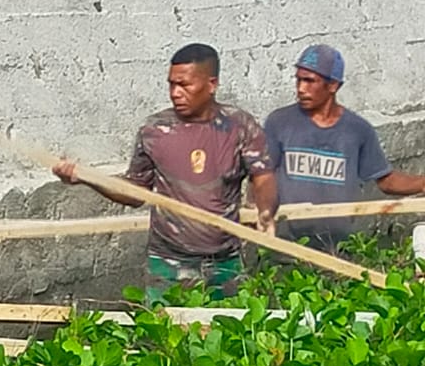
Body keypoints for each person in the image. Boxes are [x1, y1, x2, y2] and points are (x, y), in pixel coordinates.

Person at [53, 43, 277, 303]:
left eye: (184, 85)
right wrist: (86, 178)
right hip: (168, 264)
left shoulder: (239, 127)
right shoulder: (155, 131)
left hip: (223, 263)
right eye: (171, 84)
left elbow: (262, 175)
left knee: (227, 327)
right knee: (163, 328)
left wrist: (264, 211)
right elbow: (135, 192)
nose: (175, 93)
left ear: (212, 84)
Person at [265, 44, 425, 252]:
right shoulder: (279, 123)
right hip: (286, 248)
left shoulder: (357, 130)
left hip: (337, 249)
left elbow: (386, 181)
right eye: (298, 80)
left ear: (333, 85)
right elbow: (261, 176)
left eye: (310, 81)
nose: (301, 88)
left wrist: (422, 183)